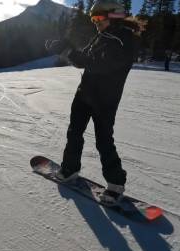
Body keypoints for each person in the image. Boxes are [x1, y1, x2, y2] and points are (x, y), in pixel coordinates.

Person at [45, 0, 141, 204]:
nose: (95, 22)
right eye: (93, 18)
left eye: (99, 17)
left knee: (104, 140)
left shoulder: (124, 39)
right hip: (85, 93)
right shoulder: (102, 36)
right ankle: (70, 169)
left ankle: (115, 185)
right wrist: (65, 48)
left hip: (105, 99)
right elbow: (84, 59)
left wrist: (69, 51)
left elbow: (100, 65)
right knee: (74, 131)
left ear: (114, 15)